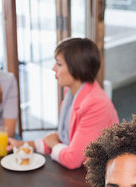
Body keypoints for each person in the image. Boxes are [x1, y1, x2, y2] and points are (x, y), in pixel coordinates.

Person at [7, 37, 118, 169]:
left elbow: (72, 159)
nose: (53, 68)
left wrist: (53, 143)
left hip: (98, 176)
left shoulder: (96, 104)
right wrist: (22, 145)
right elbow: (62, 140)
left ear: (76, 68)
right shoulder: (71, 92)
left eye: (59, 64)